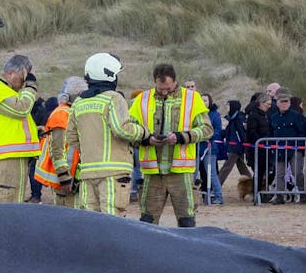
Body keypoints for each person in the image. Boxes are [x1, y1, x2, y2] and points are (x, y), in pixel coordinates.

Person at [129, 63, 211, 226]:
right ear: (154, 82)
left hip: (181, 173)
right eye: (160, 89)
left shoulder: (192, 98)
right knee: (147, 222)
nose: (164, 92)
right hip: (153, 173)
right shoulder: (142, 99)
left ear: (175, 81)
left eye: (168, 88)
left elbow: (207, 130)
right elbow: (130, 131)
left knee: (187, 222)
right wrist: (147, 140)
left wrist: (181, 137)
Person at [65, 53, 145, 215]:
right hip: (114, 172)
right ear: (110, 75)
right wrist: (143, 133)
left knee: (90, 222)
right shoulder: (113, 99)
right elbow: (122, 129)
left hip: (87, 172)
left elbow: (72, 137)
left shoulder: (79, 102)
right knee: (112, 220)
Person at [0, 56, 41, 205]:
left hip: (12, 159)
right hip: (3, 160)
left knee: (14, 207)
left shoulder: (7, 91)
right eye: (23, 77)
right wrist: (31, 86)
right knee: (4, 208)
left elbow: (12, 122)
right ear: (10, 73)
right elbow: (22, 109)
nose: (24, 82)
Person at [33, 77, 82, 208]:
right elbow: (57, 150)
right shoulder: (62, 115)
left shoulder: (70, 113)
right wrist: (64, 177)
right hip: (65, 181)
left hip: (71, 178)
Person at [266, 90, 306, 202]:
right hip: (279, 149)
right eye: (282, 101)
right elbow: (271, 132)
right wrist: (272, 146)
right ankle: (280, 195)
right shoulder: (274, 117)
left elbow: (303, 132)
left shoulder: (296, 116)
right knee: (279, 173)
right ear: (277, 103)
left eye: (287, 101)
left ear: (290, 103)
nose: (285, 104)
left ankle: (302, 192)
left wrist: (300, 146)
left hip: (294, 149)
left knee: (297, 172)